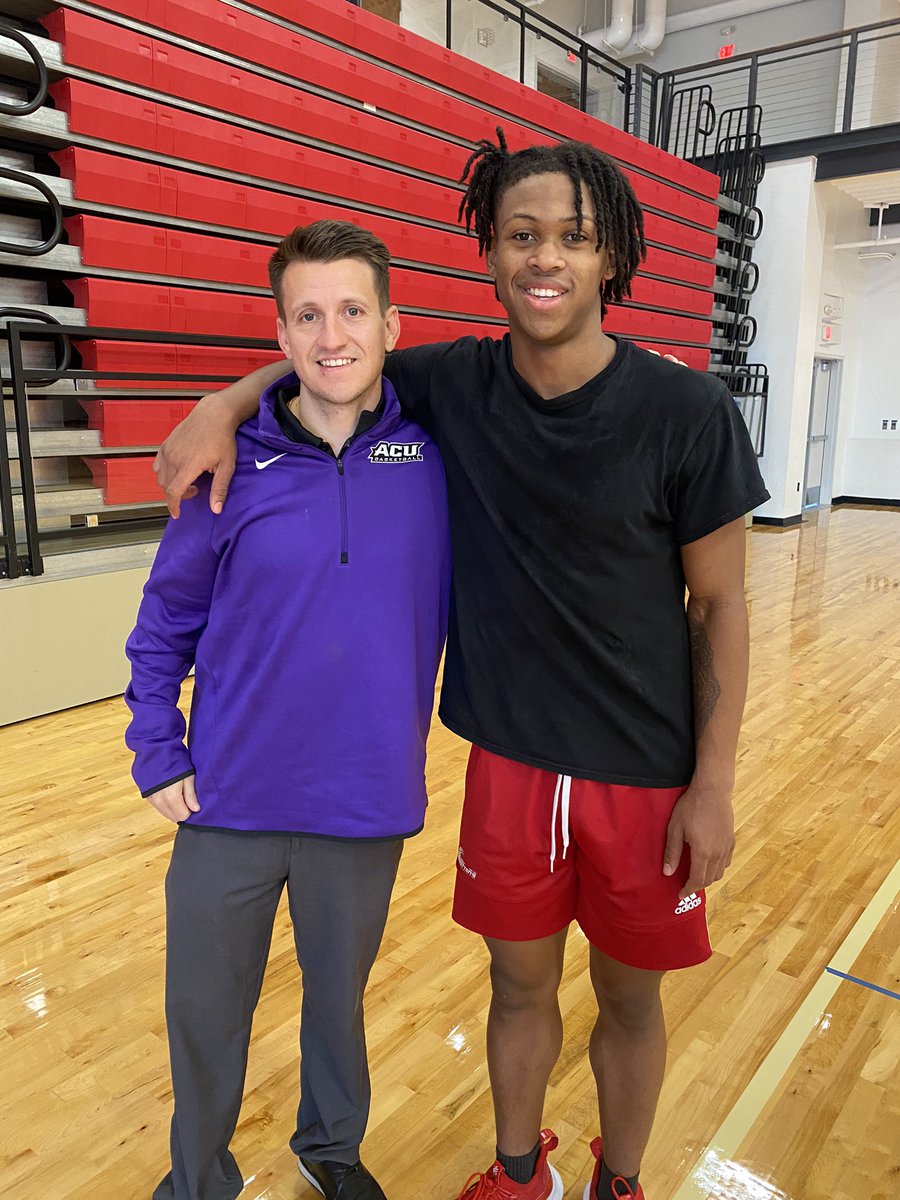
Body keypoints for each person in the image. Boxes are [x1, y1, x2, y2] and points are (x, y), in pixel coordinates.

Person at [153, 132, 770, 1200]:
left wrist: (714, 786)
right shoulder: (452, 383)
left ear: (612, 256)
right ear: (489, 251)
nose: (546, 258)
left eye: (575, 238)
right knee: (517, 988)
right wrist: (224, 403)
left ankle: (619, 1183)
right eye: (522, 235)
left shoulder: (689, 414)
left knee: (630, 1000)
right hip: (512, 767)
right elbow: (327, 359)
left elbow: (720, 608)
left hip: (646, 774)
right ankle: (518, 1172)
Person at [125, 219, 450, 1200]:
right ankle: (195, 1180)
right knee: (205, 1010)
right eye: (308, 315)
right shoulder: (230, 468)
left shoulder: (442, 459)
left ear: (392, 323)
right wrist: (158, 751)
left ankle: (332, 1153)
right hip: (226, 799)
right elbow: (163, 624)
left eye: (353, 310)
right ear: (281, 335)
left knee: (339, 1007)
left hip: (365, 801)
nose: (332, 334)